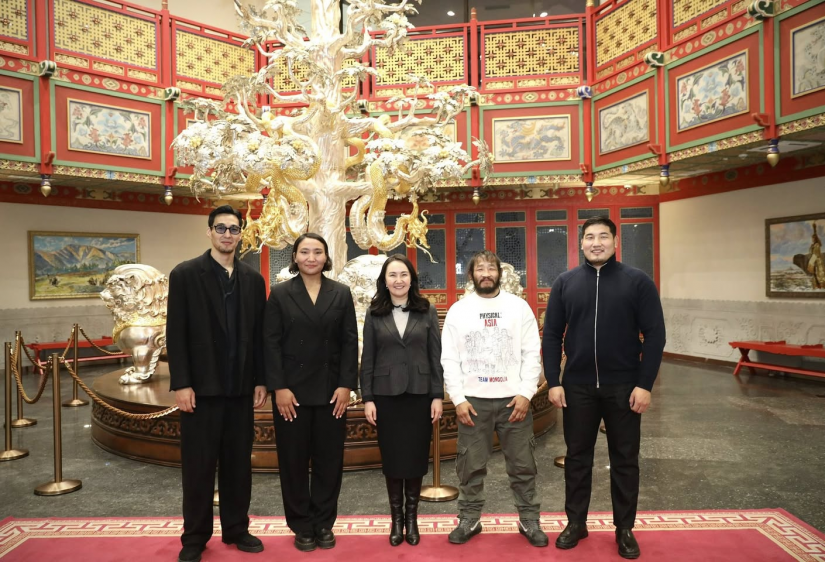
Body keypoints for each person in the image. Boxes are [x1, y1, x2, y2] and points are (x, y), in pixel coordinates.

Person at [542, 216, 666, 560]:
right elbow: (551, 335)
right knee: (577, 458)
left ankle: (624, 528)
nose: (596, 243)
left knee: (625, 459)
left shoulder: (637, 282)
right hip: (577, 386)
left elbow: (655, 335)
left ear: (615, 241)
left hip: (624, 386)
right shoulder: (566, 283)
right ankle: (576, 523)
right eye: (590, 237)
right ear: (581, 243)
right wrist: (554, 381)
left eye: (603, 236)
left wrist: (645, 384)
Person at [167, 205, 268, 562]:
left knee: (238, 464)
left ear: (241, 234)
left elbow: (260, 336)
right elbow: (176, 334)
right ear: (209, 232)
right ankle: (195, 536)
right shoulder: (185, 275)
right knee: (198, 466)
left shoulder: (253, 280)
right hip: (200, 391)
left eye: (234, 229)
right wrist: (182, 383)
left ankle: (237, 528)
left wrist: (261, 380)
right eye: (221, 228)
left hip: (240, 390)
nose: (228, 234)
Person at [441, 250, 548, 548]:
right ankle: (469, 518)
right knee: (470, 465)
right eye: (480, 269)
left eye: (491, 268)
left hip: (514, 402)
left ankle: (529, 519)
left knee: (523, 464)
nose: (486, 274)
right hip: (473, 403)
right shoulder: (459, 310)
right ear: (471, 275)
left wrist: (526, 393)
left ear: (499, 273)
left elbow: (531, 353)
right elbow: (449, 358)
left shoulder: (519, 307)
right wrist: (458, 399)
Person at [263, 233, 358, 552]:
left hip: (332, 392)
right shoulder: (280, 293)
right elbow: (270, 344)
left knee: (329, 461)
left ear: (326, 257)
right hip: (291, 394)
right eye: (305, 252)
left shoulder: (341, 293)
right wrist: (279, 387)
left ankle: (324, 522)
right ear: (295, 257)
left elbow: (349, 342)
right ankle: (301, 524)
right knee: (292, 461)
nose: (311, 257)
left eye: (318, 252)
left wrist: (346, 385)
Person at [360, 254, 444, 547]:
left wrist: (437, 395)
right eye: (392, 275)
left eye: (404, 275)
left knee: (416, 459)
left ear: (412, 279)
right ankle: (396, 520)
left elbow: (435, 356)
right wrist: (368, 398)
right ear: (384, 280)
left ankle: (412, 519)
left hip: (420, 395)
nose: (398, 280)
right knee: (393, 460)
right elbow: (367, 359)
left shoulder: (426, 310)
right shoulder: (374, 313)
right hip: (386, 396)